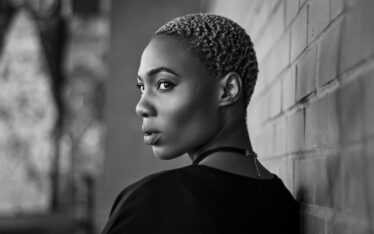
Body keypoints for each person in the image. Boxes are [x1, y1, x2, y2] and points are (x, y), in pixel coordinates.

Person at [102, 13, 300, 234]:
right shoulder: (282, 203)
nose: (141, 107)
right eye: (142, 87)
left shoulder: (150, 202)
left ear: (227, 90)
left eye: (164, 84)